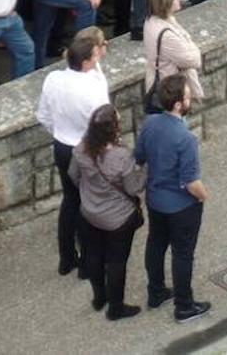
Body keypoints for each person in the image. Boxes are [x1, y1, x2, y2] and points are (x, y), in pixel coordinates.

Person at [136, 74, 211, 323]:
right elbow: (191, 183)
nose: (190, 100)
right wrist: (204, 196)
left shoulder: (150, 123)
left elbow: (139, 156)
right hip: (182, 206)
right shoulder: (186, 139)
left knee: (156, 243)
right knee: (182, 254)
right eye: (188, 97)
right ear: (179, 104)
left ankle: (156, 291)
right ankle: (184, 306)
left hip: (155, 200)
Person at [36, 29, 110, 277]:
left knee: (70, 201)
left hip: (62, 145)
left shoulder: (53, 79)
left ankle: (67, 258)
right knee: (89, 203)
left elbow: (43, 116)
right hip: (87, 148)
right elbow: (103, 124)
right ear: (87, 61)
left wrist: (60, 131)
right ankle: (89, 261)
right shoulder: (94, 87)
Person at [69, 104, 146, 320]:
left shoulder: (81, 148)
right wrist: (146, 170)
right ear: (113, 130)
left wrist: (89, 194)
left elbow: (73, 175)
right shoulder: (122, 156)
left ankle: (99, 298)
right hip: (118, 219)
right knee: (116, 262)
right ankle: (116, 308)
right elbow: (133, 188)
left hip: (88, 213)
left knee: (92, 256)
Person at [143, 0, 204, 103]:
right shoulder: (167, 35)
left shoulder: (151, 20)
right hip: (171, 91)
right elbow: (194, 60)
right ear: (167, 3)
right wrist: (193, 47)